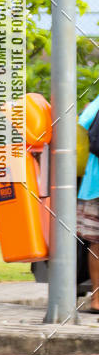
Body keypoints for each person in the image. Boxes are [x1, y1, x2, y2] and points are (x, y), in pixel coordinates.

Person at [77, 94, 99, 314]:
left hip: (95, 181)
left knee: (96, 241)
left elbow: (83, 123)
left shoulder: (97, 102)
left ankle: (97, 298)